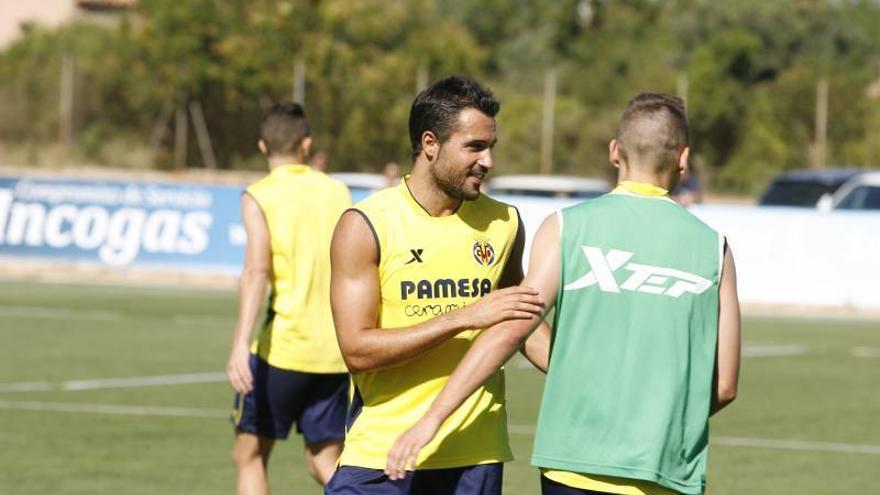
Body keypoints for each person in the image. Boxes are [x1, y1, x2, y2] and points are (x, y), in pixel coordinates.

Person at [386, 93, 742, 495]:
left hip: (574, 467)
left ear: (614, 152)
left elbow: (511, 330)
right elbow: (725, 384)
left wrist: (433, 418)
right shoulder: (715, 248)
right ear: (683, 157)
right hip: (667, 472)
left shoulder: (566, 227)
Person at [325, 75, 549, 494]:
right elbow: (358, 350)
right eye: (475, 147)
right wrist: (465, 317)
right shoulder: (367, 224)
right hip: (382, 455)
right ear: (430, 144)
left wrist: (587, 376)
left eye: (491, 147)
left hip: (474, 456)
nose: (488, 162)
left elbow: (522, 326)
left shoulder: (504, 222)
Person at [227, 102, 351, 493]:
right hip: (335, 351)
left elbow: (256, 271)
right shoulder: (337, 190)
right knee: (325, 461)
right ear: (307, 143)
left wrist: (239, 345)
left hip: (283, 350)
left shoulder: (259, 195)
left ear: (263, 146)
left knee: (249, 456)